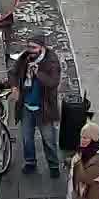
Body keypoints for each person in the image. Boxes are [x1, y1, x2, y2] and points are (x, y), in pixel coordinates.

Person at [9, 35, 63, 177]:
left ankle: (53, 165)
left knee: (48, 139)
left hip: (44, 108)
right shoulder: (25, 57)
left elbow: (53, 82)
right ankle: (30, 162)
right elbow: (13, 73)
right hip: (26, 105)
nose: (30, 50)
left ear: (42, 48)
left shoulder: (51, 61)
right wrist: (14, 87)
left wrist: (38, 73)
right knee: (27, 138)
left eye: (33, 48)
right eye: (28, 47)